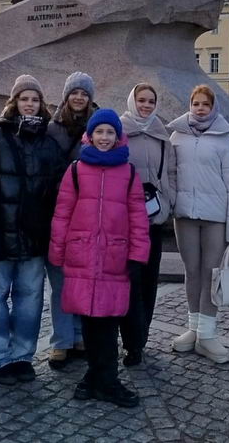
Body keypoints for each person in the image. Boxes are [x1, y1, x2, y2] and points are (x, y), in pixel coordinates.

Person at [49, 108, 150, 407]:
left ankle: (107, 379)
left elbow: (138, 218)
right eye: (99, 132)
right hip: (82, 254)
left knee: (108, 321)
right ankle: (94, 376)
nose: (104, 137)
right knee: (89, 320)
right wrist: (57, 251)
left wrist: (137, 255)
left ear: (118, 137)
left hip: (114, 257)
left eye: (110, 132)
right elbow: (62, 214)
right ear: (90, 135)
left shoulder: (129, 173)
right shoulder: (76, 170)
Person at [0, 75, 67, 384]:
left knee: (29, 299)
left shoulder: (49, 143)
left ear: (42, 104)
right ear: (14, 102)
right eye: (24, 98)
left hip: (34, 237)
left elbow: (58, 190)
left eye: (35, 99)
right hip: (0, 235)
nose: (30, 104)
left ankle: (22, 355)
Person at [168, 84, 229, 364]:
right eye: (196, 103)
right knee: (191, 272)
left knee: (211, 274)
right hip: (185, 215)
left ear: (213, 107)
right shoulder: (177, 135)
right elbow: (171, 175)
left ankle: (208, 333)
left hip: (215, 217)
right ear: (190, 105)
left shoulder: (224, 138)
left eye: (205, 104)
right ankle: (193, 327)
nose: (200, 109)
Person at [118, 82, 176, 366]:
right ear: (132, 101)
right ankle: (130, 341)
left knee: (149, 281)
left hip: (153, 218)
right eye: (141, 100)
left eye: (150, 101)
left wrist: (168, 200)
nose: (146, 105)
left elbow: (170, 171)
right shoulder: (119, 130)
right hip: (125, 221)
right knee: (129, 281)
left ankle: (141, 338)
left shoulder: (161, 133)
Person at [44, 71, 97, 368]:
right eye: (74, 92)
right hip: (57, 210)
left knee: (82, 279)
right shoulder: (52, 128)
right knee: (60, 282)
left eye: (84, 93)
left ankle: (79, 336)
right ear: (66, 96)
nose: (79, 97)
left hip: (86, 212)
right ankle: (61, 341)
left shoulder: (98, 127)